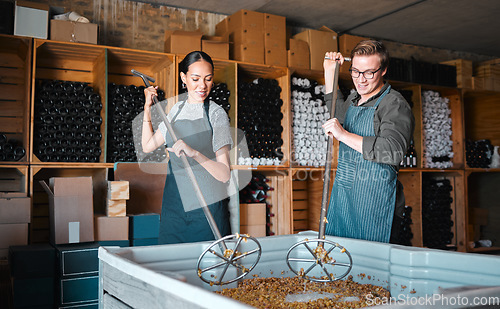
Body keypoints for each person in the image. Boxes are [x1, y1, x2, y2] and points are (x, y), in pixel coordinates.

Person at [322, 40, 415, 243]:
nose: (360, 80)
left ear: (383, 70)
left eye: (368, 73)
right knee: (339, 264)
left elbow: (392, 151)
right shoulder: (355, 99)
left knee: (372, 271)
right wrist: (330, 72)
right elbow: (337, 117)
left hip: (375, 204)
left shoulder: (394, 104)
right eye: (355, 71)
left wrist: (343, 135)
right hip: (344, 201)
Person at [141, 51, 232, 244]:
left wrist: (195, 154)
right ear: (184, 78)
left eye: (208, 79)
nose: (203, 85)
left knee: (206, 272)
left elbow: (224, 174)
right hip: (174, 211)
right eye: (196, 78)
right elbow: (148, 145)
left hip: (207, 213)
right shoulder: (175, 111)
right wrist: (147, 108)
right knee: (170, 269)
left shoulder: (216, 114)